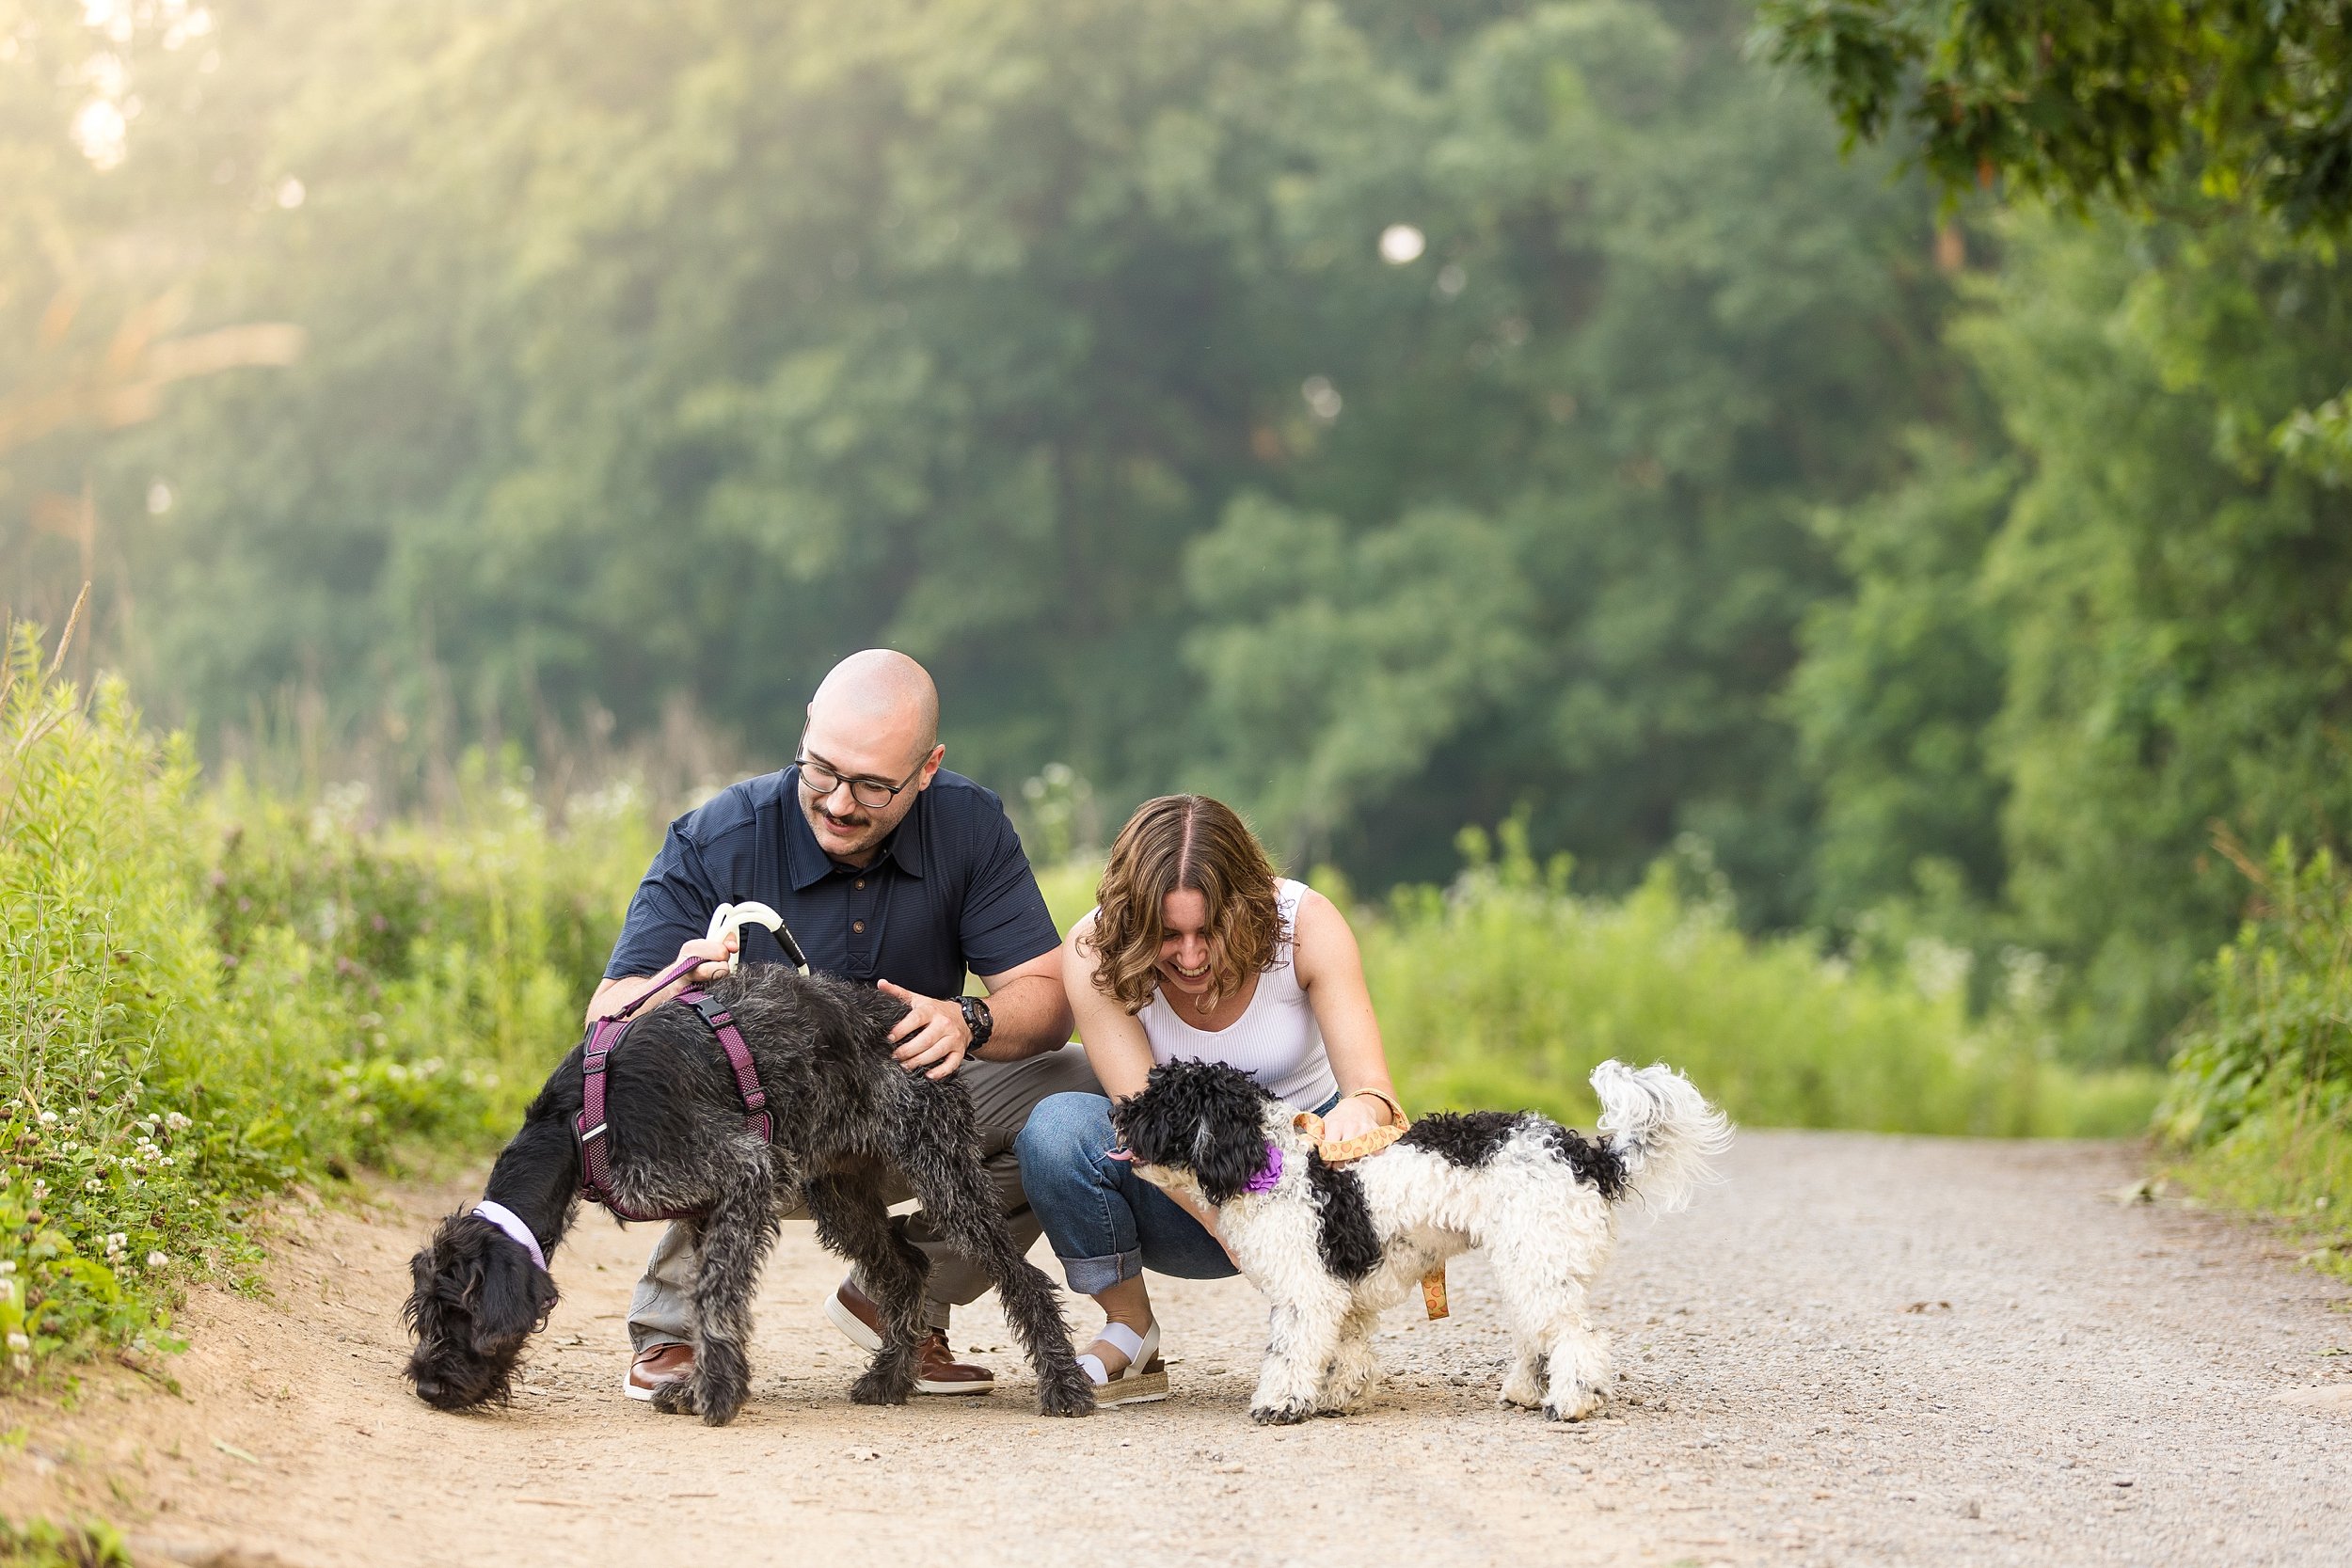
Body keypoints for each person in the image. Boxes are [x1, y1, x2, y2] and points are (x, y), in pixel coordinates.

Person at [592, 649, 1095, 1403]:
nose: (836, 802)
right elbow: (606, 1018)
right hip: (755, 1126)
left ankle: (900, 1300)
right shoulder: (718, 835)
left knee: (1077, 1090)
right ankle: (676, 1323)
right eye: (820, 771)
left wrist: (970, 1018)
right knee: (678, 1084)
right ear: (803, 736)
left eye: (871, 785)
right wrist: (679, 985)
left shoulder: (969, 825)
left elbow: (1050, 1000)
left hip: (903, 1101)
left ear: (928, 769)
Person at [1015, 794, 1405, 1403]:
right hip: (1186, 1196)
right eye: (1167, 935)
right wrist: (1234, 1228)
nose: (1191, 957)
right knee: (1055, 1130)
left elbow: (1374, 1090)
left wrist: (1361, 1110)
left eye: (1209, 931)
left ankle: (1332, 1327)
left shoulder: (1306, 923)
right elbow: (1144, 1127)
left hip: (1307, 1190)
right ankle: (1129, 1331)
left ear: (1246, 907)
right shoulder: (1094, 947)